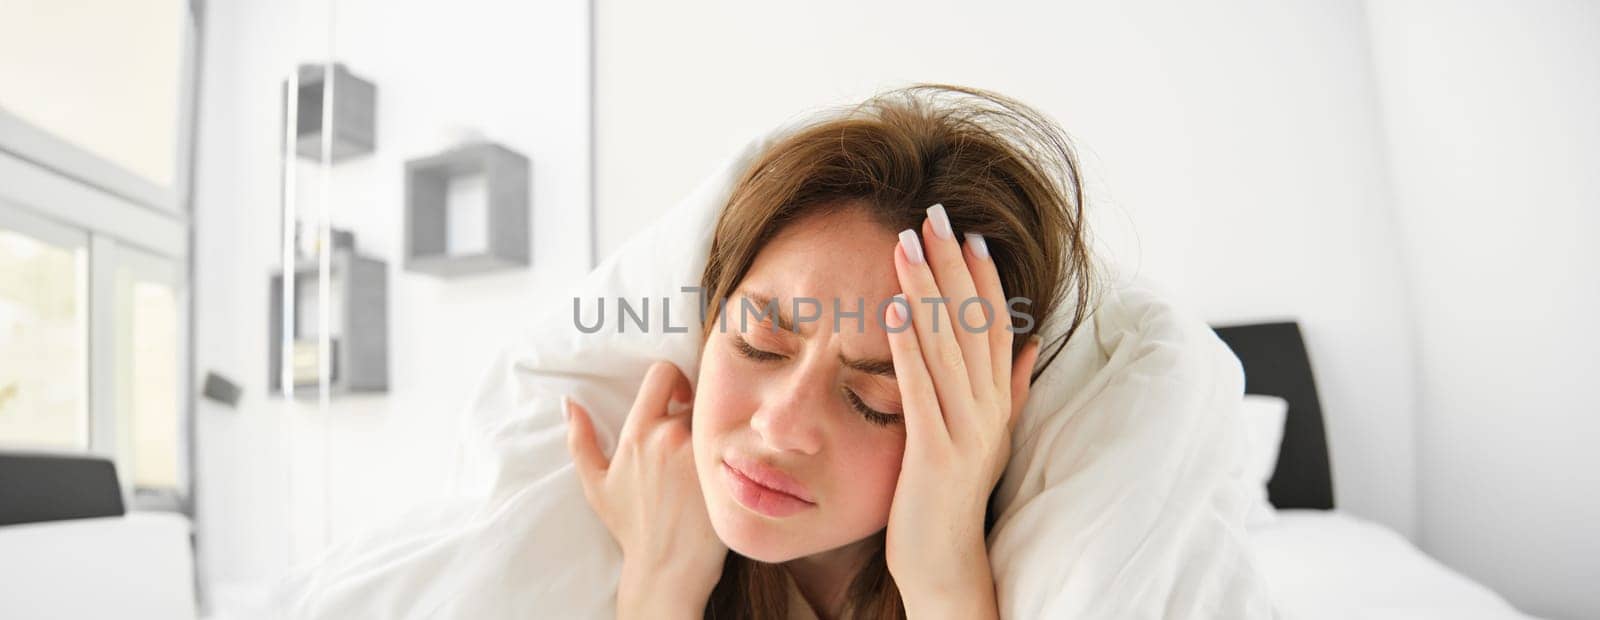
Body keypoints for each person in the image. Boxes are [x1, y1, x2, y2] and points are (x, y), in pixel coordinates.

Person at [564, 84, 1095, 619]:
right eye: (758, 344)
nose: (779, 424)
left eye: (875, 400)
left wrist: (944, 578)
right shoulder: (631, 523)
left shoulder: (1052, 580)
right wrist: (661, 586)